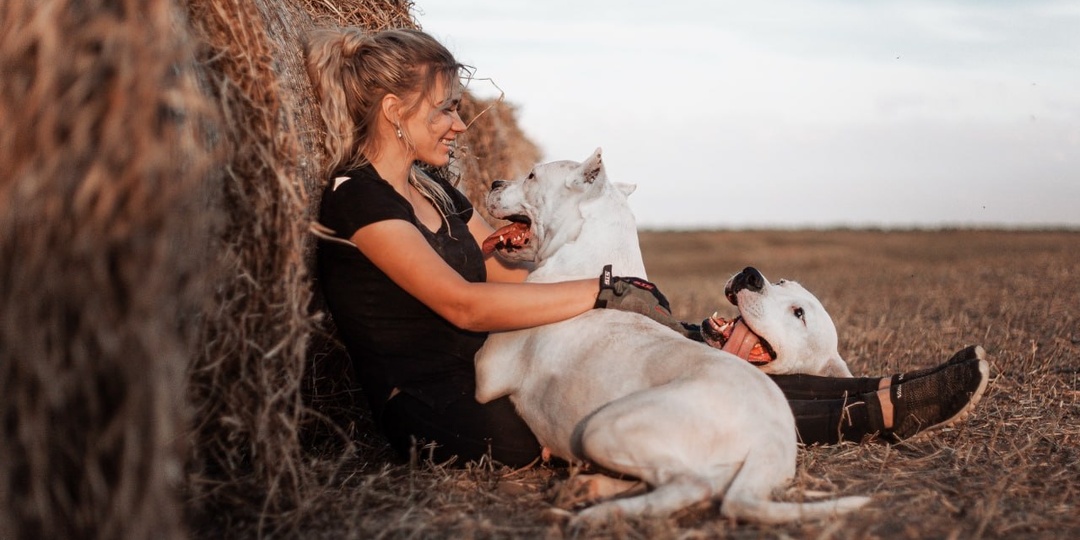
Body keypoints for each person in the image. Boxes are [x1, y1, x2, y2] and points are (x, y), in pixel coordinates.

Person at [304, 27, 989, 467]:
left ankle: (875, 392)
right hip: (455, 408)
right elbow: (462, 304)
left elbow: (506, 285)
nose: (459, 123)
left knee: (679, 349)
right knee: (660, 370)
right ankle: (866, 413)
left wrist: (539, 255)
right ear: (394, 110)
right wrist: (606, 291)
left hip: (508, 361)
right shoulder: (360, 199)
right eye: (445, 107)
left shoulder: (441, 195)